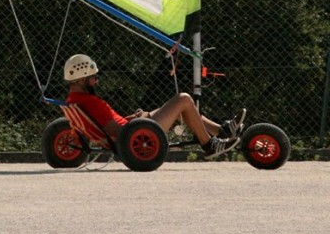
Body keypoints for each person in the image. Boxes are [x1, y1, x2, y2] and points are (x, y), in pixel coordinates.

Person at [63, 54, 246, 159]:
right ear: (81, 79)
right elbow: (116, 131)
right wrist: (139, 121)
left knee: (177, 107)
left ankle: (221, 131)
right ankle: (210, 144)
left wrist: (135, 118)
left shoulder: (77, 99)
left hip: (135, 127)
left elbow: (110, 125)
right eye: (93, 77)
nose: (97, 81)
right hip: (137, 135)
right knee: (183, 99)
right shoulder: (90, 102)